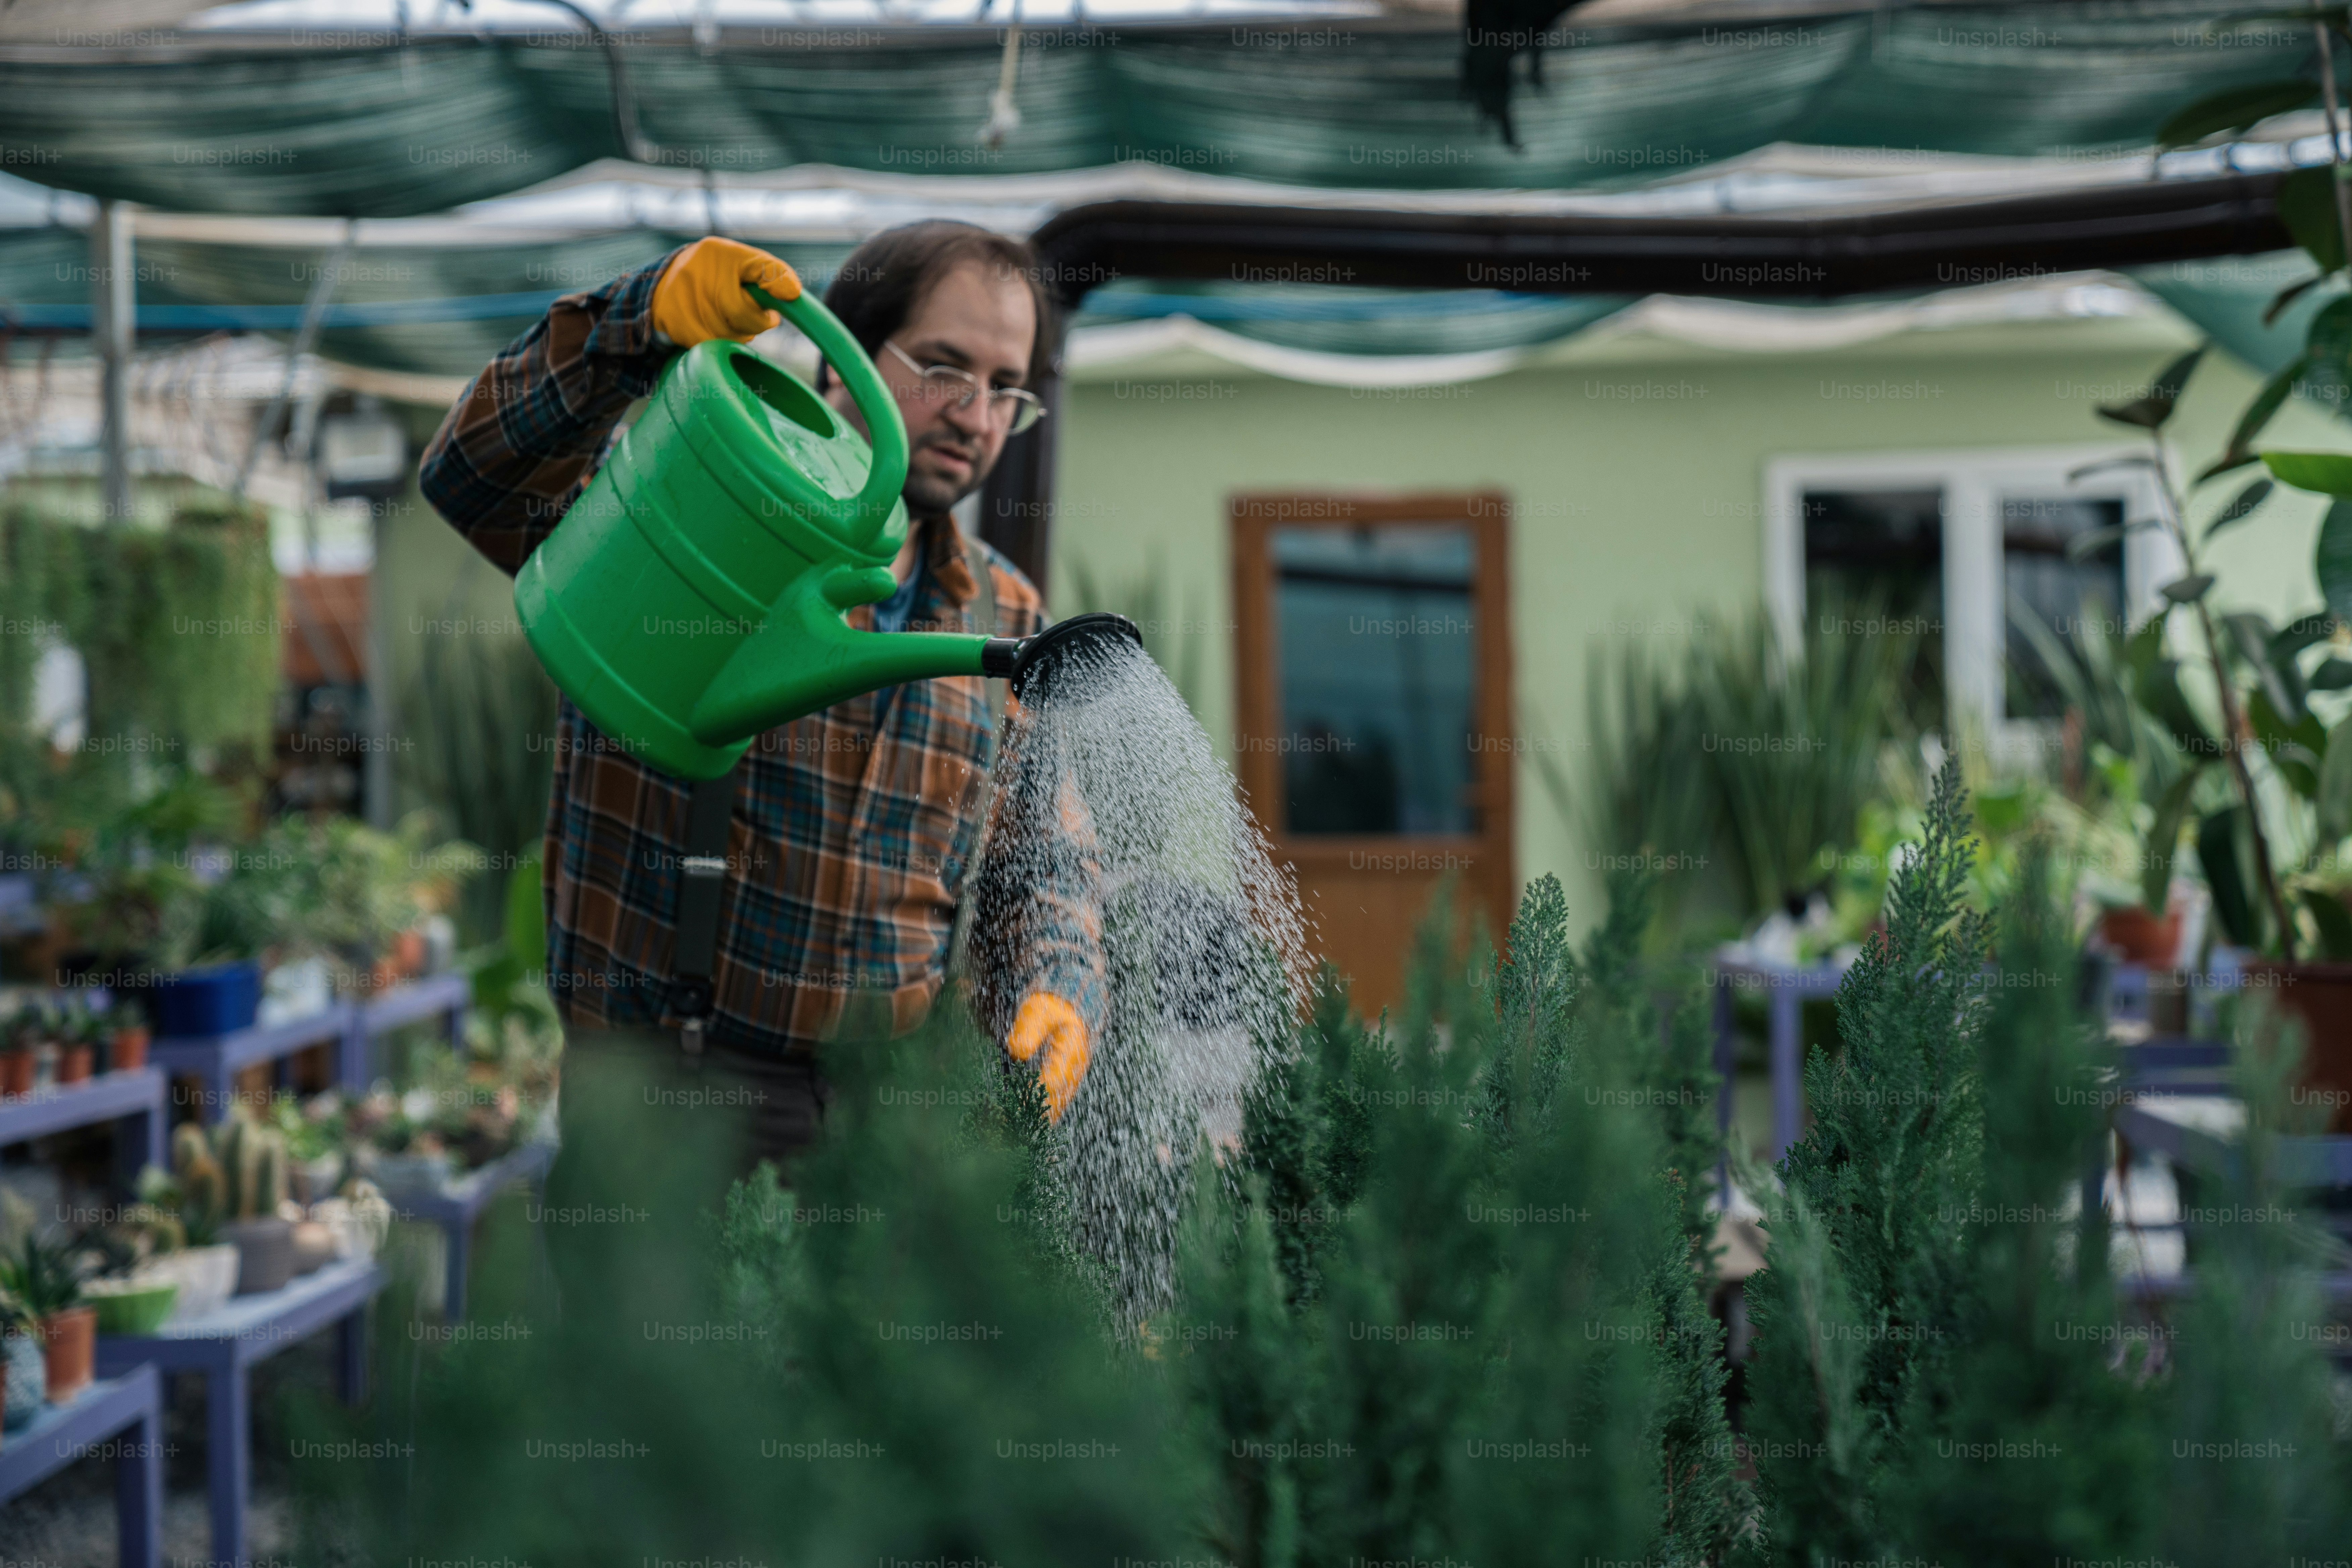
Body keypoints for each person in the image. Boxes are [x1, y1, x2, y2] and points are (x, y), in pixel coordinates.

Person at [420, 223, 1105, 1170]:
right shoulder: (710, 504)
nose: (977, 416)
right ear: (844, 363)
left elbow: (1046, 860)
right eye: (945, 368)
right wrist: (639, 322)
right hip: (671, 1098)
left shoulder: (1000, 607)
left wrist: (1059, 983)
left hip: (884, 1122)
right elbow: (475, 474)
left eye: (1005, 389)